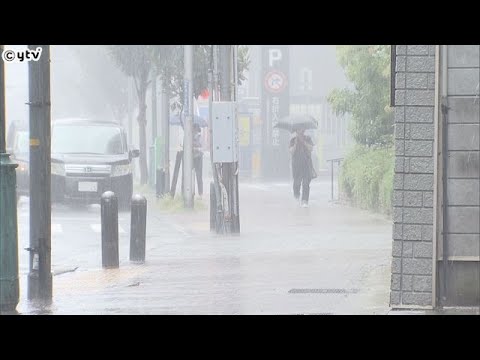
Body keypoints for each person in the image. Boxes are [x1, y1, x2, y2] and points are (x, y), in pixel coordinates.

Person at [289, 128, 315, 207]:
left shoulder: (308, 138)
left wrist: (304, 142)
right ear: (296, 131)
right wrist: (296, 144)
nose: (300, 131)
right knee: (296, 183)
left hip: (306, 164)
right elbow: (291, 152)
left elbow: (311, 148)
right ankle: (296, 195)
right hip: (296, 165)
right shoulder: (293, 140)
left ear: (303, 131)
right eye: (299, 130)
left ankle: (304, 201)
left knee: (306, 183)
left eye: (302, 130)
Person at [193, 123, 204, 199]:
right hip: (192, 158)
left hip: (198, 158)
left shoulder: (200, 137)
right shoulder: (190, 136)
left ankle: (200, 193)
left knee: (199, 176)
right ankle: (192, 191)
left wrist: (195, 148)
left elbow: (202, 148)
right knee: (191, 175)